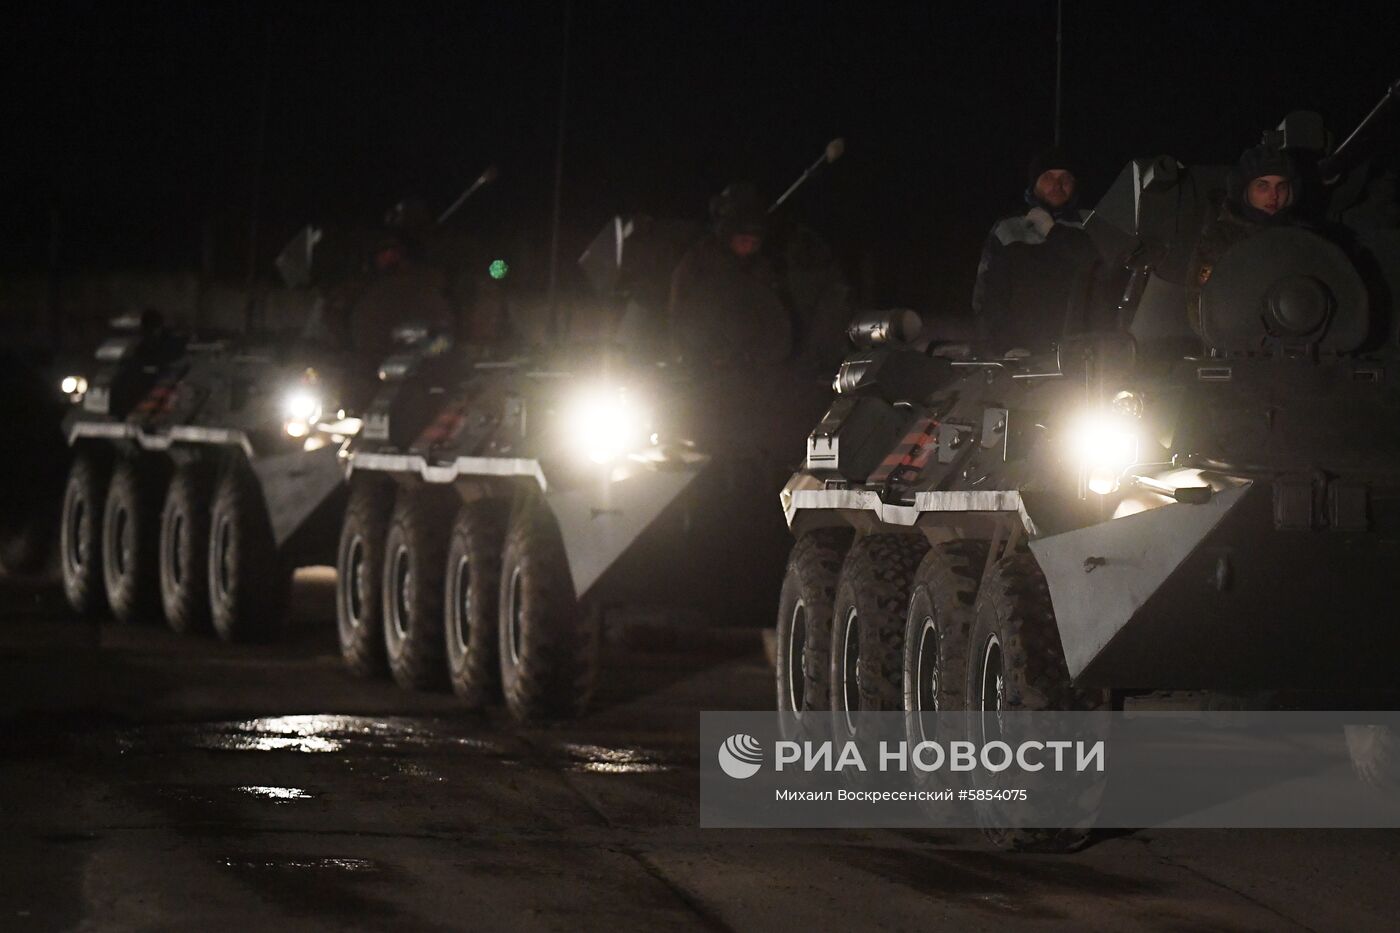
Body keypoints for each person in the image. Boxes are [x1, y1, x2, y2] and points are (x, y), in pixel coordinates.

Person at [971, 147, 1099, 355]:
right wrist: (1006, 347)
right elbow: (988, 297)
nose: (1057, 185)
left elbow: (1101, 267)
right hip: (1023, 357)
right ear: (1034, 183)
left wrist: (1053, 231)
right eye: (1048, 177)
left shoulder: (1091, 224)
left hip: (1082, 354)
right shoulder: (1009, 227)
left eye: (1065, 178)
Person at [667, 182, 793, 368]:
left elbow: (773, 318)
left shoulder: (761, 269)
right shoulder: (700, 259)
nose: (748, 246)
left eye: (753, 242)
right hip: (700, 356)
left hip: (746, 362)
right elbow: (678, 305)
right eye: (743, 240)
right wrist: (684, 349)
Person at [1187, 144, 1301, 332]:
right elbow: (1201, 302)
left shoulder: (1302, 238)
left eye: (1281, 186)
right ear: (1245, 189)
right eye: (1262, 186)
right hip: (1238, 345)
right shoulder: (1220, 239)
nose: (1274, 196)